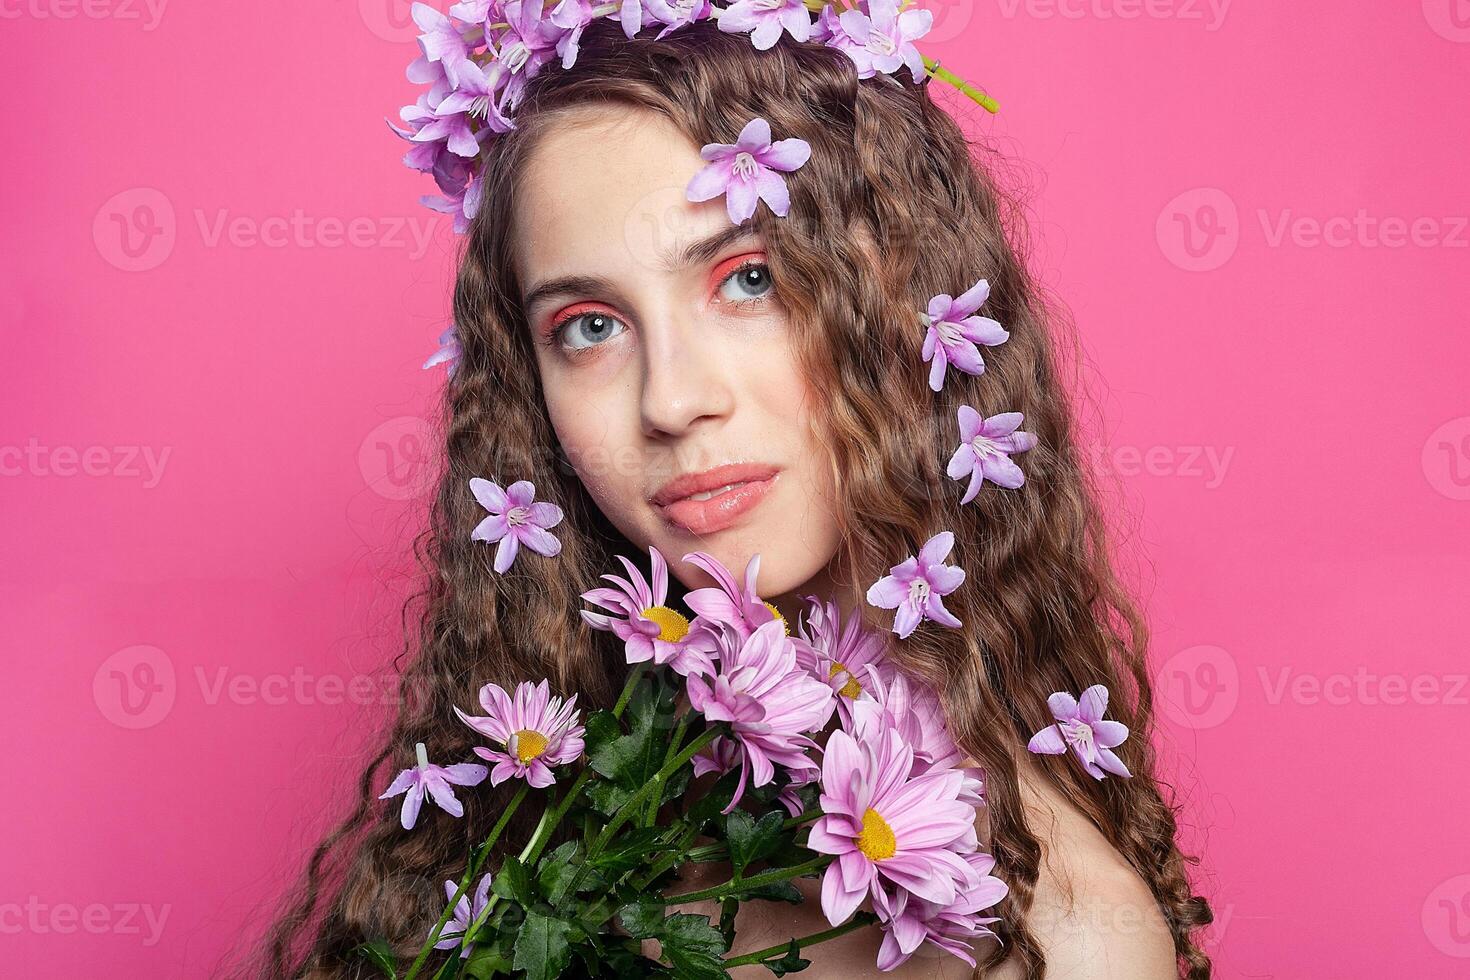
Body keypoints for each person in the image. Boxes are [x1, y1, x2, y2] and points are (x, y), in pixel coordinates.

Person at [239, 13, 1211, 979]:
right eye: (587, 326)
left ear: (903, 291)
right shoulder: (539, 821)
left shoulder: (1068, 945)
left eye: (749, 279)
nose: (670, 400)